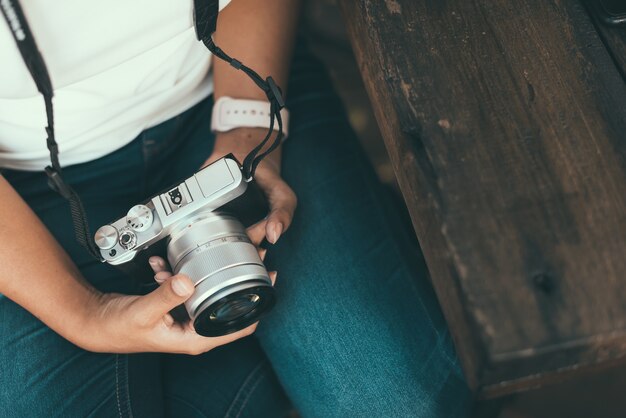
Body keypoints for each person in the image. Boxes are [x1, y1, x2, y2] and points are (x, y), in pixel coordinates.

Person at [0, 0, 471, 416]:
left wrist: (248, 129)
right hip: (25, 190)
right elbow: (84, 318)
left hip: (232, 81)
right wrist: (86, 315)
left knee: (397, 404)